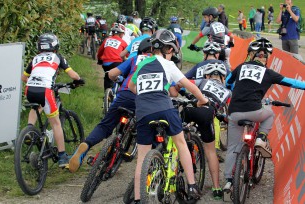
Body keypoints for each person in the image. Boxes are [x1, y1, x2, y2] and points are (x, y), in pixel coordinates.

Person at [129, 29, 210, 203]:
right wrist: (203, 100)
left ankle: (137, 198)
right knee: (180, 143)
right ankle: (191, 185)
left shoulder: (142, 64)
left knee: (142, 158)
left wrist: (146, 93)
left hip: (142, 111)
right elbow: (189, 86)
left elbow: (131, 86)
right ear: (170, 50)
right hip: (164, 108)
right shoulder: (169, 65)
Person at [222, 38, 305, 200]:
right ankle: (261, 138)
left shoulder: (240, 67)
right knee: (270, 113)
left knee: (232, 147)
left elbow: (227, 83)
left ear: (252, 56)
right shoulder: (269, 73)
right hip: (254, 110)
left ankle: (228, 182)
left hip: (234, 112)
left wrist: (236, 89)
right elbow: (293, 83)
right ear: (266, 58)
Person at [69, 38, 154, 173]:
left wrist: (117, 79)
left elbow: (112, 74)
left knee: (105, 125)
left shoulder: (134, 59)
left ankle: (87, 144)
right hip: (144, 99)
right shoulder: (160, 62)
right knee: (150, 128)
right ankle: (151, 167)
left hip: (125, 94)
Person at [21, 33, 84, 168]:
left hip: (30, 89)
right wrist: (78, 80)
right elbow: (72, 75)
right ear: (55, 47)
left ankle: (29, 131)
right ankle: (62, 156)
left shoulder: (35, 58)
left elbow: (24, 78)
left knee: (36, 107)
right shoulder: (57, 57)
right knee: (56, 124)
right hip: (46, 90)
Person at [180, 49, 231, 200]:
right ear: (223, 77)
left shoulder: (202, 81)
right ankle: (216, 187)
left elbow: (180, 84)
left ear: (207, 75)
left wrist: (183, 92)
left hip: (190, 109)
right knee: (210, 152)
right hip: (207, 114)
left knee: (178, 138)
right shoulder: (227, 92)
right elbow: (230, 115)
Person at [97, 23, 128, 90]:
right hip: (116, 62)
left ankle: (106, 95)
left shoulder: (106, 40)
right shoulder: (123, 42)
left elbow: (100, 51)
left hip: (105, 63)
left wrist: (99, 59)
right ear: (120, 34)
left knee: (107, 76)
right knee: (120, 74)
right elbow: (127, 55)